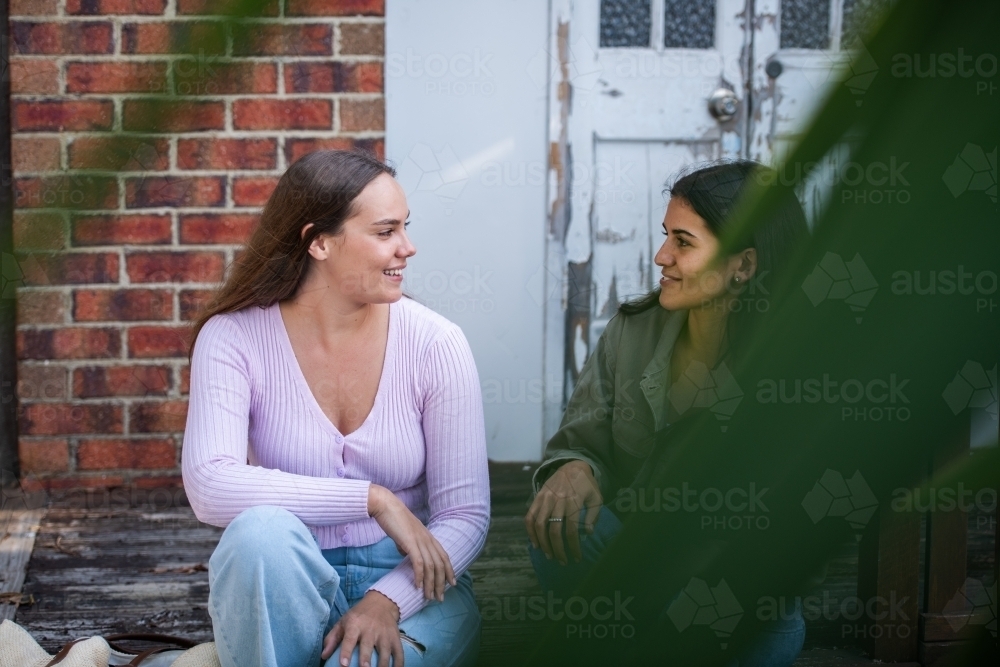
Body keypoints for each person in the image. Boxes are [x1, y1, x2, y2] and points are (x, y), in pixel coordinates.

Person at [182, 150, 490, 667]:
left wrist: (387, 601)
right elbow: (211, 485)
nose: (408, 248)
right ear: (318, 241)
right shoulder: (233, 338)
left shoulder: (437, 343)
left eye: (405, 228)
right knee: (258, 534)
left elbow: (466, 515)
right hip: (286, 577)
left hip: (412, 586)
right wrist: (371, 499)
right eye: (385, 231)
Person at [524, 160, 810, 666]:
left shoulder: (797, 365)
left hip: (732, 587)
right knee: (558, 531)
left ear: (743, 265)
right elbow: (581, 443)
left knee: (755, 628)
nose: (661, 256)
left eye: (683, 242)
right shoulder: (632, 332)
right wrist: (574, 469)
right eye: (665, 237)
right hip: (632, 556)